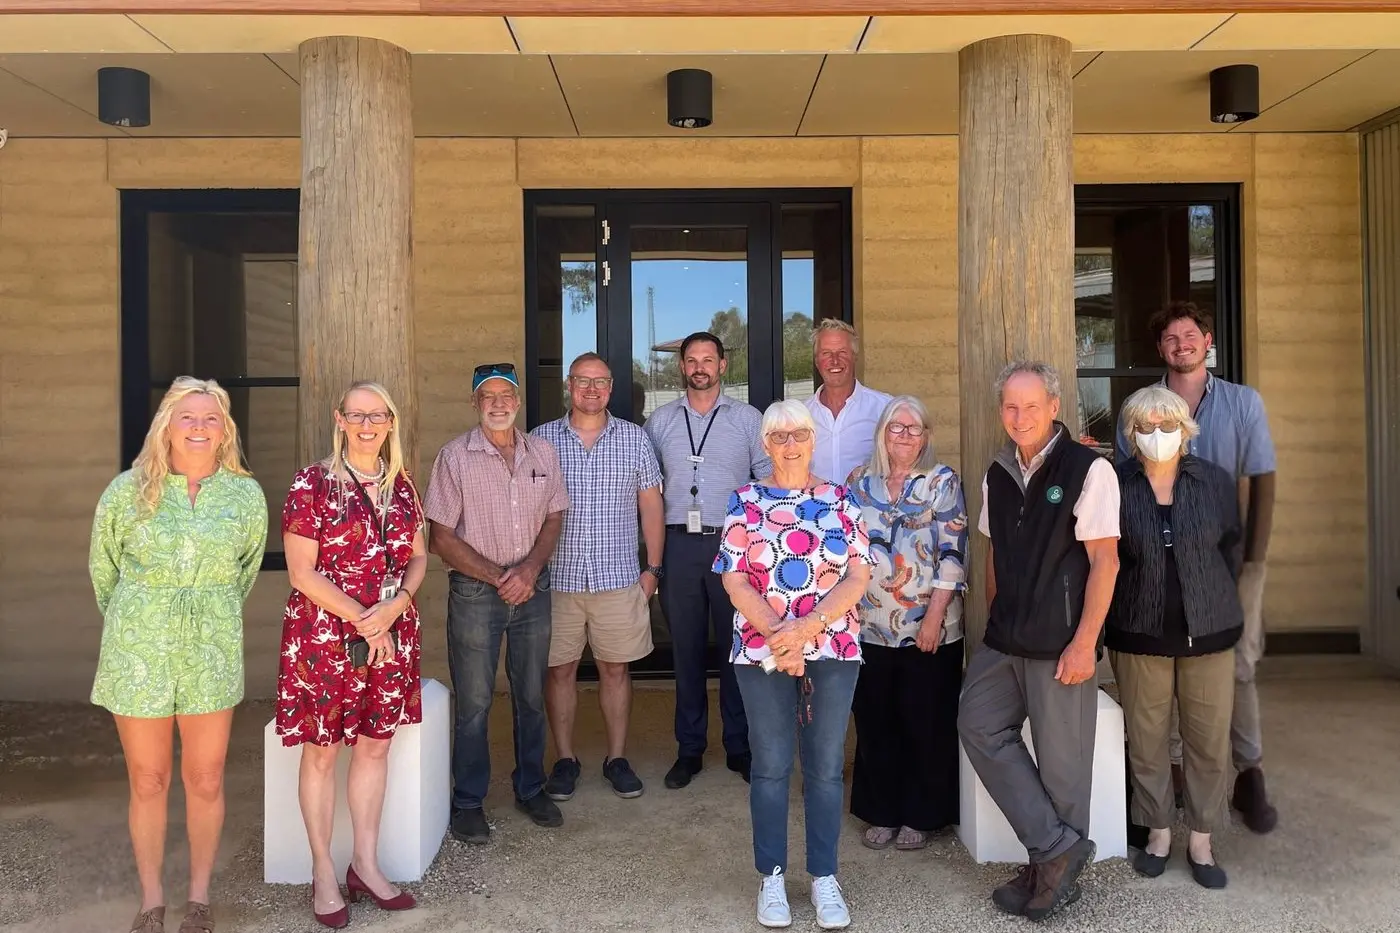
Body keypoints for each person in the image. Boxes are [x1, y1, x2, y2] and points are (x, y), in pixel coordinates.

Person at [89, 377, 268, 933]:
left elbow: (246, 571)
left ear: (225, 431)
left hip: (211, 648)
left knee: (207, 777)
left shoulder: (245, 495)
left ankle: (197, 897)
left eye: (210, 418)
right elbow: (104, 572)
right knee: (148, 779)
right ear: (166, 424)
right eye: (187, 416)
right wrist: (142, 619)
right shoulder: (127, 490)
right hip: (138, 648)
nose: (198, 426)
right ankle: (150, 899)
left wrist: (203, 614)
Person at [956, 360, 1121, 923]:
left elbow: (1105, 561)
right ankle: (1055, 849)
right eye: (1010, 406)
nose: (1019, 416)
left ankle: (1051, 870)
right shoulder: (997, 472)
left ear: (1054, 407)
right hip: (1006, 639)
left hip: (1061, 642)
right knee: (977, 723)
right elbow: (995, 554)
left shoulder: (1088, 470)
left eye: (1031, 405)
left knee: (1062, 768)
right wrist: (996, 619)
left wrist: (1085, 642)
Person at [1115, 300, 1278, 834]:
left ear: (1208, 340)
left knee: (1238, 664)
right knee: (1162, 681)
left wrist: (1250, 562)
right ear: (1160, 348)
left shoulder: (1241, 403)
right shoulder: (1142, 407)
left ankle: (1248, 771)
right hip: (1162, 560)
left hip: (1228, 552)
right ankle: (1174, 784)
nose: (1181, 344)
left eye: (1190, 335)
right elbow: (1128, 476)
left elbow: (1261, 479)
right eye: (1170, 339)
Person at [714, 399, 874, 931]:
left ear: (812, 439)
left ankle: (824, 876)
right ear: (765, 445)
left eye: (798, 434)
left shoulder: (840, 498)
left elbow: (857, 576)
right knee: (772, 764)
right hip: (761, 651)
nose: (789, 444)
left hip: (831, 649)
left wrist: (805, 630)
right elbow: (733, 577)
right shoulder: (745, 500)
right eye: (778, 436)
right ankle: (773, 876)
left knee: (826, 768)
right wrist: (778, 637)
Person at [277, 382, 426, 927]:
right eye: (357, 415)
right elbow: (302, 572)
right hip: (324, 639)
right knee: (320, 752)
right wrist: (368, 620)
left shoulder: (403, 485)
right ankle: (323, 871)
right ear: (340, 420)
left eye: (378, 415)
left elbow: (418, 556)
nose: (368, 425)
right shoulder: (312, 483)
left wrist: (398, 606)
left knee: (373, 748)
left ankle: (365, 862)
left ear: (391, 421)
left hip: (391, 636)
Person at [425, 362, 570, 844]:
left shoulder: (542, 452)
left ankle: (531, 787)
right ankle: (468, 801)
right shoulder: (454, 457)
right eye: (487, 396)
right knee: (476, 701)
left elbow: (554, 516)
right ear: (474, 404)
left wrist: (528, 571)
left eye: (506, 394)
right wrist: (497, 576)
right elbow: (440, 537)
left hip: (532, 590)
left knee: (530, 694)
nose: (498, 404)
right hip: (475, 594)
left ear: (518, 400)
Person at [1108, 385, 1242, 890]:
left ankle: (1202, 837)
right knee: (1146, 738)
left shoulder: (1213, 482)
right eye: (1146, 426)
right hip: (1139, 631)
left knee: (1207, 740)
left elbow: (1232, 548)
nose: (1158, 435)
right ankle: (1159, 831)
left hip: (1208, 631)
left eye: (1168, 425)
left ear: (1186, 431)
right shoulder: (1114, 483)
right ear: (1131, 433)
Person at [531, 353, 665, 801]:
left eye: (600, 382)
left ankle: (617, 758)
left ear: (611, 388)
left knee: (615, 669)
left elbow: (650, 506)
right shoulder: (540, 440)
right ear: (569, 386)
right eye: (582, 381)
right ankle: (565, 759)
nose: (591, 389)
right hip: (558, 579)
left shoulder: (634, 440)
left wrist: (653, 570)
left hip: (618, 576)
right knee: (560, 670)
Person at [643, 332, 771, 790]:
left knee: (737, 648)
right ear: (681, 367)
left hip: (732, 546)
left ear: (722, 366)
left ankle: (739, 746)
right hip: (679, 546)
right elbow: (648, 492)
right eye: (692, 360)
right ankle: (690, 749)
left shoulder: (748, 419)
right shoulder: (659, 422)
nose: (700, 367)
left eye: (708, 360)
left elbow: (767, 484)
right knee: (687, 650)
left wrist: (758, 549)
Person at [845, 396, 968, 851]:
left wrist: (934, 616)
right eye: (896, 427)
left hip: (928, 626)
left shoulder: (941, 482)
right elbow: (845, 550)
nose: (904, 435)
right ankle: (882, 810)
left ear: (927, 435)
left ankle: (922, 813)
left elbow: (954, 553)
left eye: (914, 428)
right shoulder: (859, 481)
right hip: (868, 626)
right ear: (882, 432)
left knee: (925, 720)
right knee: (876, 719)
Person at [804, 319, 892, 485]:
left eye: (842, 352)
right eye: (826, 353)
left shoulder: (885, 408)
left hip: (866, 510)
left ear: (855, 357)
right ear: (816, 361)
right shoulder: (801, 414)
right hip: (814, 509)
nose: (835, 360)